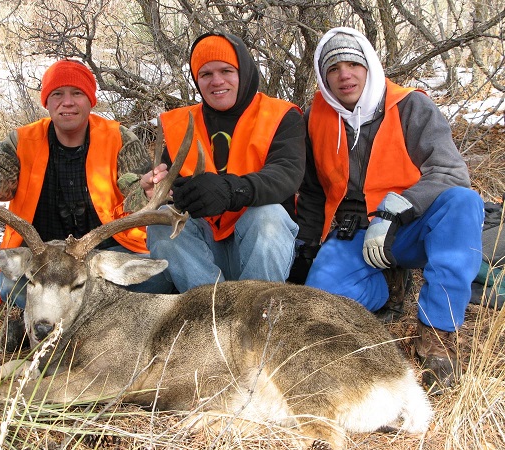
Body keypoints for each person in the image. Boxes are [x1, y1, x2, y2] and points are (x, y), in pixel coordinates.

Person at [295, 27, 484, 394]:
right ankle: (386, 285)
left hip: (409, 226)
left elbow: (451, 173)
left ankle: (436, 337)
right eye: (333, 68)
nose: (344, 75)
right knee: (321, 305)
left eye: (353, 64)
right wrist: (307, 246)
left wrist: (395, 210)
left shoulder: (411, 105)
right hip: (354, 230)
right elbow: (313, 191)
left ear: (370, 67)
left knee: (464, 203)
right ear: (323, 76)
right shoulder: (314, 116)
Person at [0, 59, 175, 347]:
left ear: (90, 100)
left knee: (161, 279)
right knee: (10, 285)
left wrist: (145, 190)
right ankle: (88, 323)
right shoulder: (22, 140)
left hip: (100, 257)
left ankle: (46, 326)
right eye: (57, 94)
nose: (67, 103)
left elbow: (133, 187)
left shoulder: (119, 138)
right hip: (43, 257)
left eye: (77, 93)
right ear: (47, 102)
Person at [146, 32, 306, 293]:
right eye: (205, 74)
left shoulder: (280, 116)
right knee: (162, 221)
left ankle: (255, 311)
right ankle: (211, 311)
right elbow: (171, 187)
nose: (216, 81)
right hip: (202, 257)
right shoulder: (181, 125)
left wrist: (232, 190)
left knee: (268, 216)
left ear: (243, 72)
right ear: (197, 81)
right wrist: (155, 190)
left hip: (259, 250)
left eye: (226, 70)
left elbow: (286, 174)